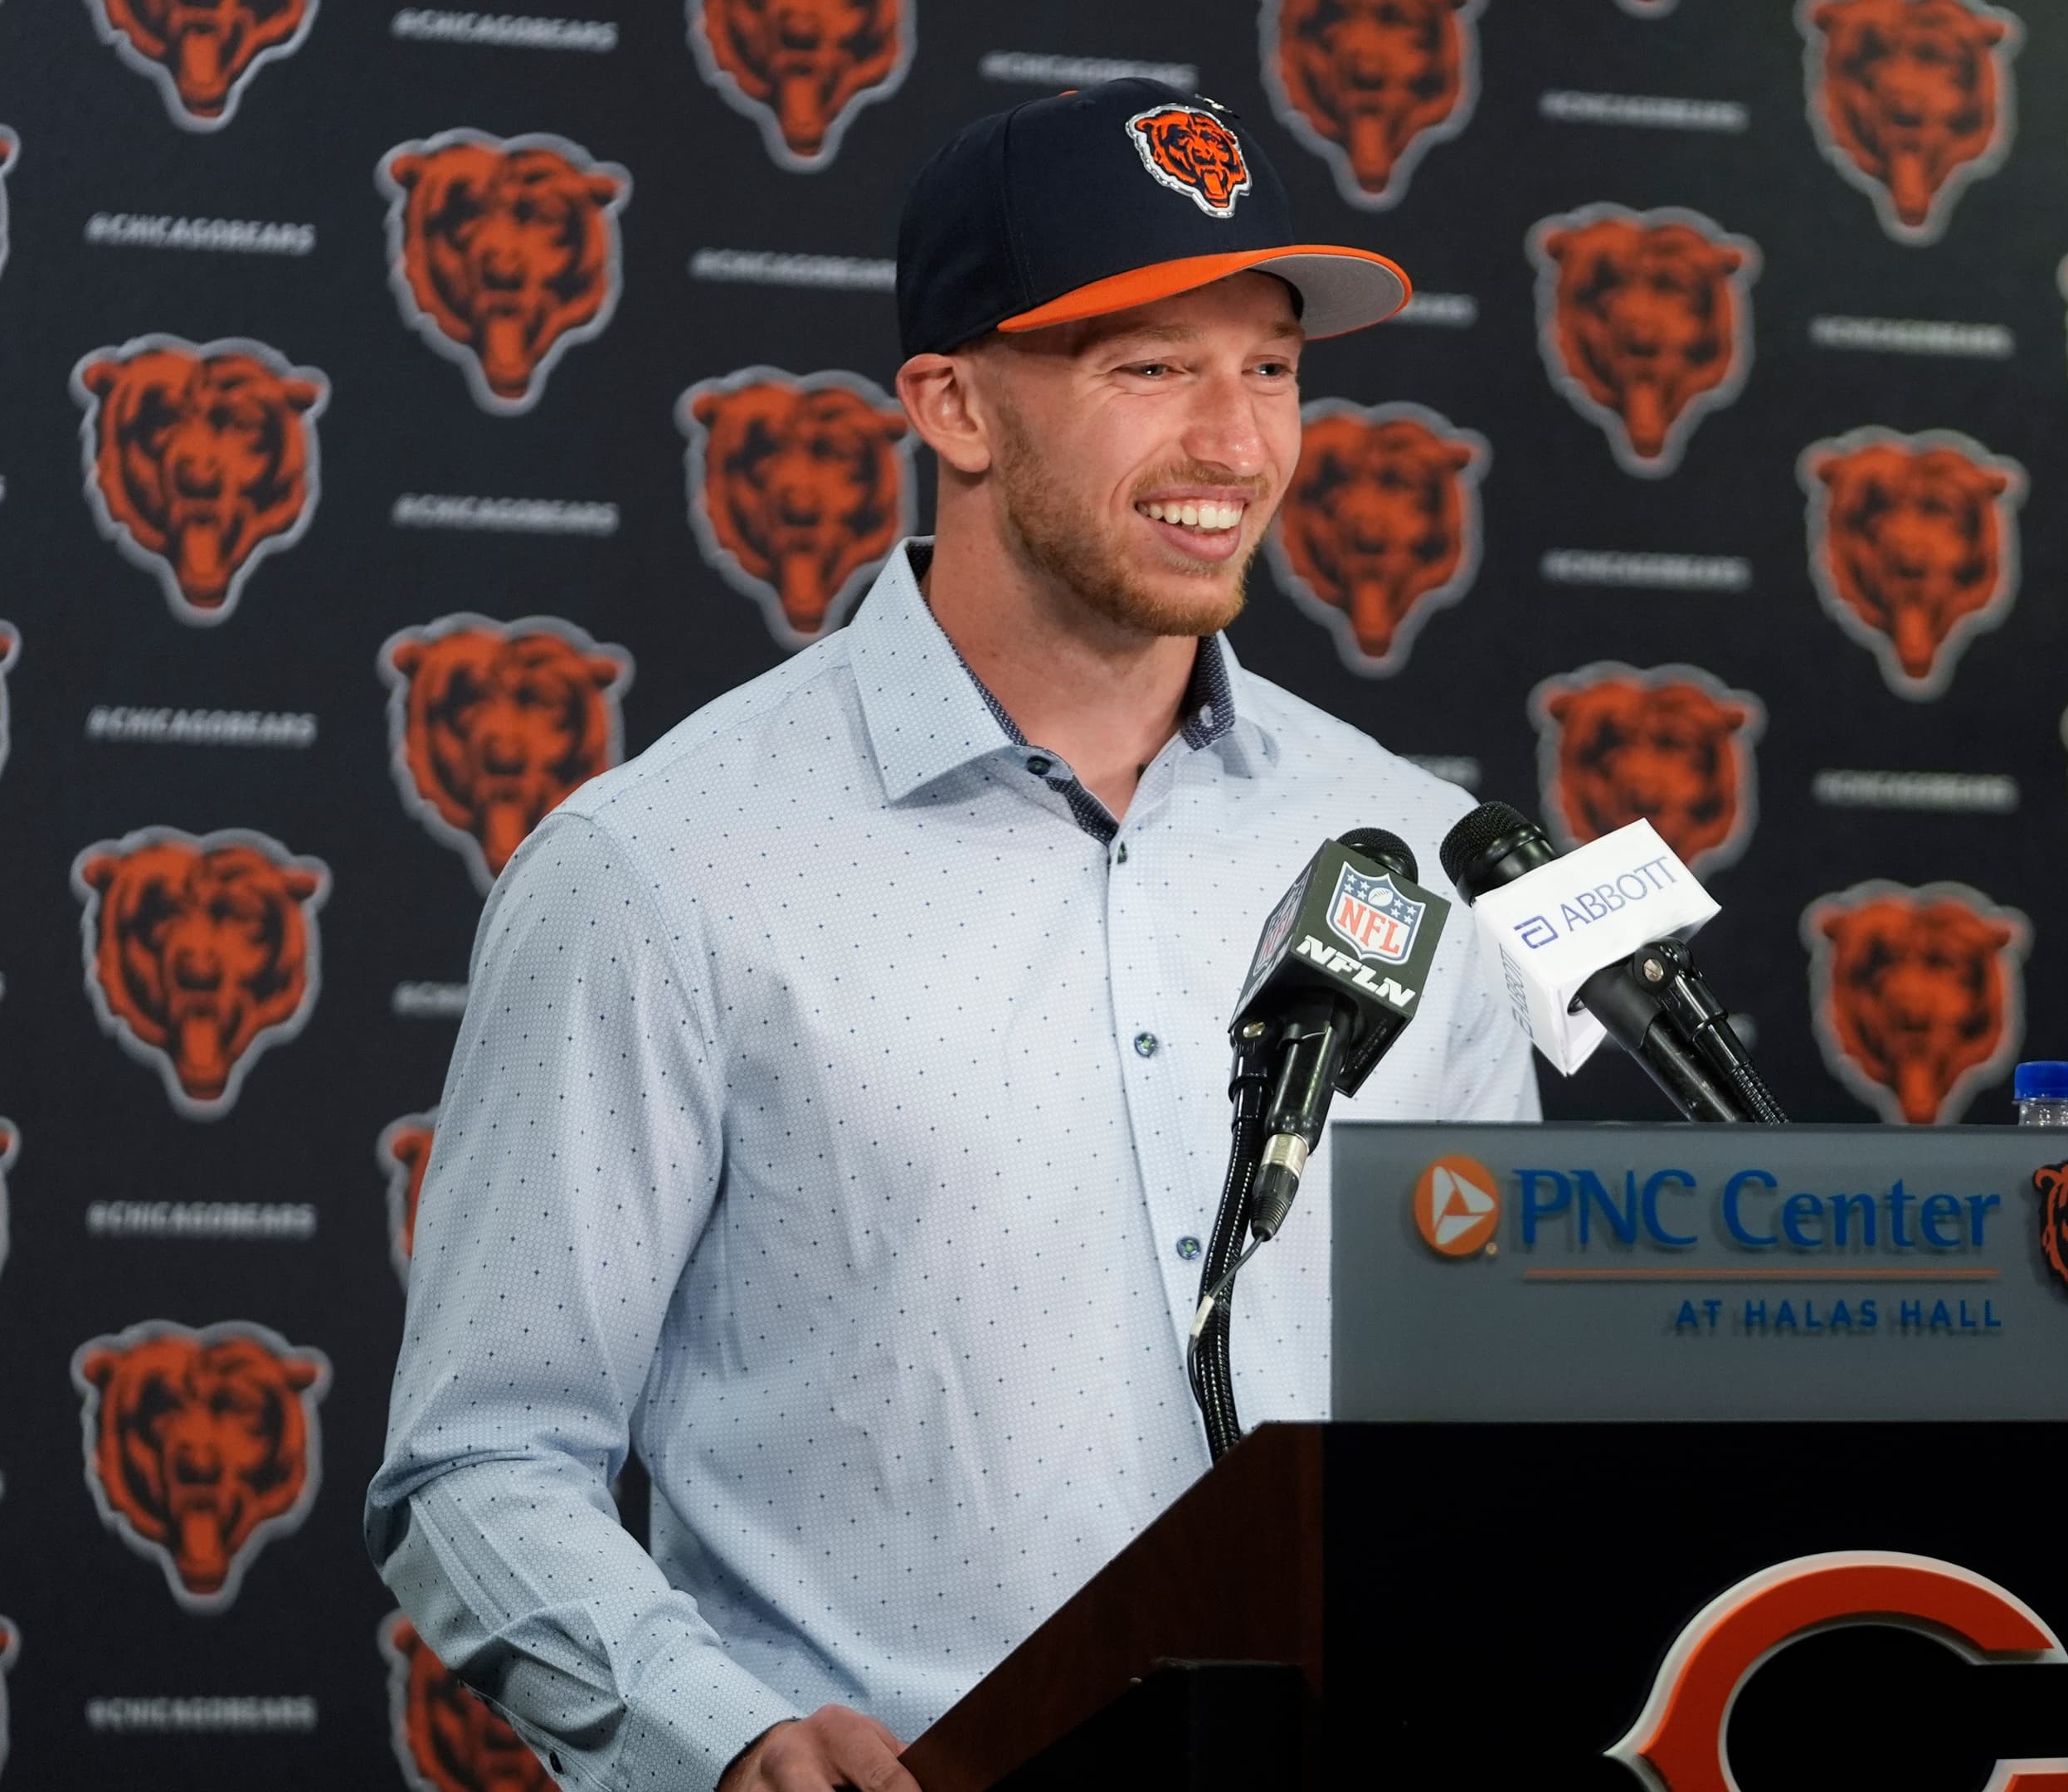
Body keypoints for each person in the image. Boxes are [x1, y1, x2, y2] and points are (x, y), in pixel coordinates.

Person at [363, 81, 1539, 1792]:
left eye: (1273, 368)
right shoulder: (661, 870)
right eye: (1153, 368)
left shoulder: (1417, 852)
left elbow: (1488, 1426)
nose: (1236, 444)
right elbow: (480, 1463)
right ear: (953, 406)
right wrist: (726, 1740)